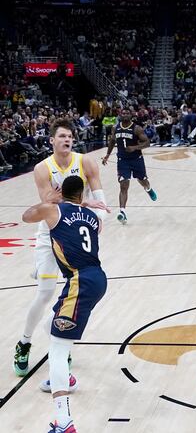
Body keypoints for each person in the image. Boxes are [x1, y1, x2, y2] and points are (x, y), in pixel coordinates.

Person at [13, 120, 107, 381]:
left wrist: (94, 217)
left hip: (76, 229)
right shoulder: (42, 168)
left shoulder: (87, 162)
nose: (67, 140)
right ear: (52, 140)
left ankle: (61, 342)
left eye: (70, 136)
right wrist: (80, 205)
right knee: (45, 293)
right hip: (50, 233)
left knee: (75, 292)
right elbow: (47, 204)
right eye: (62, 136)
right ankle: (24, 343)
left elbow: (101, 203)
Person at [22, 175, 109, 433]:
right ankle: (64, 378)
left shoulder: (53, 210)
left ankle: (64, 422)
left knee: (58, 349)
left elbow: (27, 216)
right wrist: (84, 207)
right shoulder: (92, 218)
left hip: (79, 281)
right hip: (97, 278)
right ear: (81, 196)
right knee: (50, 326)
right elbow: (88, 227)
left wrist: (48, 200)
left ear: (61, 193)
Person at [101, 107, 157, 224]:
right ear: (120, 114)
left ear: (131, 115)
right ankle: (122, 212)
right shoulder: (115, 128)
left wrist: (135, 148)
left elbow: (147, 143)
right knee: (123, 185)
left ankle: (148, 189)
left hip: (137, 160)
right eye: (123, 112)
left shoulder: (136, 128)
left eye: (127, 113)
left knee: (142, 181)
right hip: (122, 161)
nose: (125, 114)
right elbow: (112, 141)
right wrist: (107, 155)